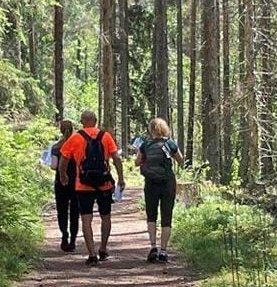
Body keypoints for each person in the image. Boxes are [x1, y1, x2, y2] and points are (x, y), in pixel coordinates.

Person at [57, 110, 126, 265]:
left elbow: (63, 160)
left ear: (82, 121)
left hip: (83, 185)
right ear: (95, 121)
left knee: (86, 219)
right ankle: (103, 248)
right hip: (104, 183)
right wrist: (121, 178)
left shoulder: (75, 138)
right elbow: (116, 158)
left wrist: (63, 176)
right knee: (106, 216)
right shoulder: (105, 136)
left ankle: (92, 254)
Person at [134, 118, 183, 263]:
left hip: (150, 183)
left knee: (151, 215)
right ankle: (164, 251)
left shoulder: (145, 145)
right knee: (166, 216)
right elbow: (180, 160)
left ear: (151, 130)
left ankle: (153, 247)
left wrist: (140, 154)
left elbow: (137, 162)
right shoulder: (170, 144)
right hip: (168, 183)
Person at [45, 119, 78, 251]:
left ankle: (64, 235)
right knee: (75, 211)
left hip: (60, 181)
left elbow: (54, 166)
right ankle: (73, 240)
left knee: (62, 210)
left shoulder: (56, 147)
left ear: (60, 130)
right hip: (76, 182)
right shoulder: (78, 145)